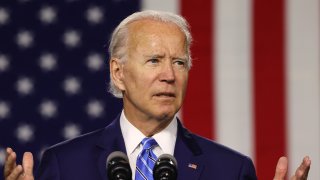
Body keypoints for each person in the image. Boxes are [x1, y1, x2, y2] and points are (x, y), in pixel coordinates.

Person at [4, 10, 311, 180]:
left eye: (179, 62)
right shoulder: (65, 165)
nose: (169, 75)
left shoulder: (230, 170)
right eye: (154, 60)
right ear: (118, 72)